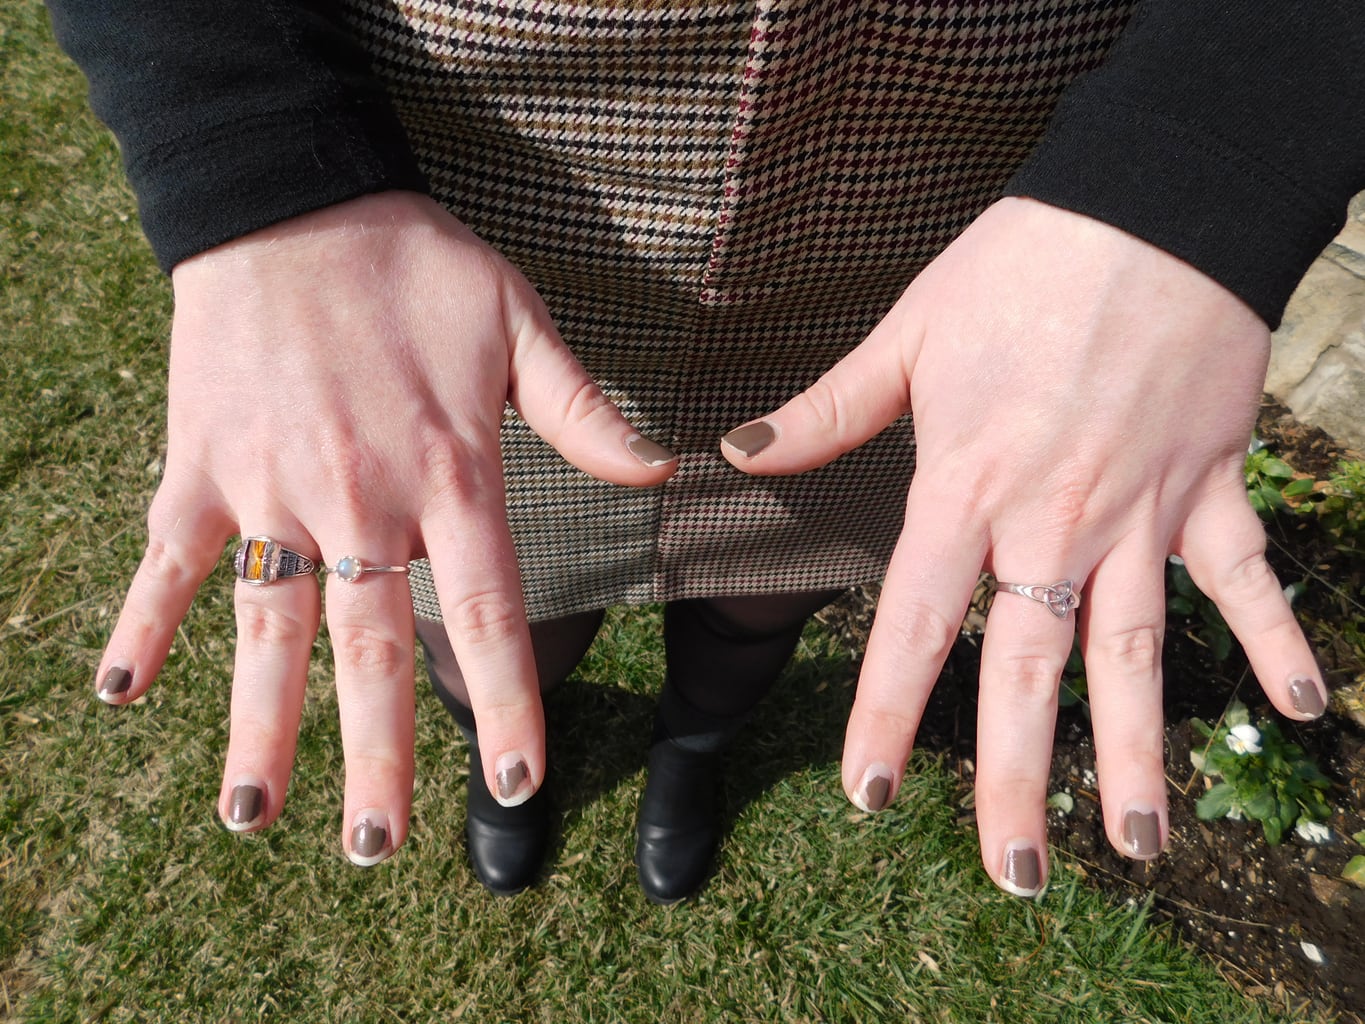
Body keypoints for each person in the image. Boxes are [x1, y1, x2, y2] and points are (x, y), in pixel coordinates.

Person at [49, 0, 1365, 903]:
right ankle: (520, 746)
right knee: (493, 594)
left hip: (954, 237)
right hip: (469, 210)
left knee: (778, 571)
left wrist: (1208, 152)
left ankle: (694, 741)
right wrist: (259, 162)